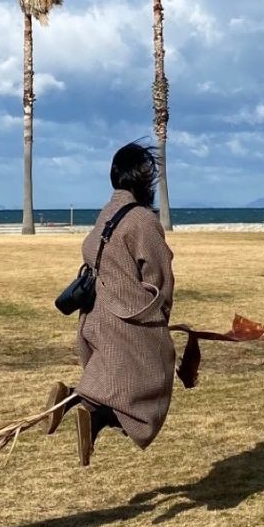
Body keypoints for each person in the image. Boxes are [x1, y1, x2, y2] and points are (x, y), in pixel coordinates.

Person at [43, 143, 176, 466]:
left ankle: (76, 401)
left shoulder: (108, 213)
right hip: (126, 317)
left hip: (95, 316)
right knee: (151, 379)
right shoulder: (142, 220)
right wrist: (162, 316)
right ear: (144, 181)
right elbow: (159, 274)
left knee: (112, 379)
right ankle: (84, 407)